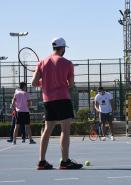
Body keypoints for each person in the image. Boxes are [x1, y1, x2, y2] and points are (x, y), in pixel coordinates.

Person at [32, 37, 82, 170]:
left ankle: (41, 161)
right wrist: (64, 83)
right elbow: (70, 85)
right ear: (63, 48)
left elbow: (34, 83)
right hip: (63, 99)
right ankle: (65, 161)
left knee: (47, 130)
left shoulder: (42, 62)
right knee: (65, 130)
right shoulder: (67, 63)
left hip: (48, 100)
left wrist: (45, 82)